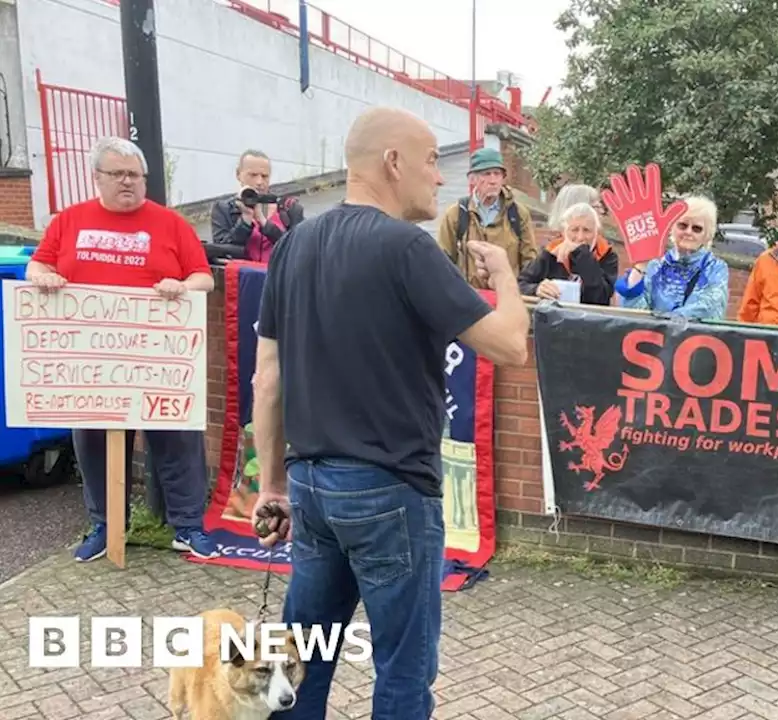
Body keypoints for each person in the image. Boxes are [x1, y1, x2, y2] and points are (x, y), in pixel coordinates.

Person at [249, 107, 529, 718]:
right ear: (392, 163)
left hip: (309, 488)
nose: (440, 178)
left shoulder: (292, 247)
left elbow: (266, 380)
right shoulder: (407, 248)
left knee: (301, 661)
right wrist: (507, 276)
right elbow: (509, 344)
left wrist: (271, 484)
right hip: (390, 493)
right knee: (403, 670)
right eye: (432, 161)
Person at [25, 136, 219, 561]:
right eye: (118, 174)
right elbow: (37, 264)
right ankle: (105, 527)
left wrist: (182, 285)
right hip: (91, 363)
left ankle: (187, 526)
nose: (128, 182)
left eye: (135, 175)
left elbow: (204, 277)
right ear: (97, 177)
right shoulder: (68, 221)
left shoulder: (171, 224)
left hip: (159, 360)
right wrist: (42, 276)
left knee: (179, 441)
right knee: (93, 444)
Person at [435, 147, 538, 288]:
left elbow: (530, 262)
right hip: (470, 300)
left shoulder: (518, 214)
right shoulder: (456, 214)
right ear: (472, 179)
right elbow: (443, 262)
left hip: (507, 297)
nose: (493, 180)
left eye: (497, 174)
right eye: (486, 174)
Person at [614, 195, 729, 319]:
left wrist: (667, 321)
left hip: (692, 337)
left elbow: (710, 309)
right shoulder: (656, 265)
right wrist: (641, 266)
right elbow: (634, 313)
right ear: (672, 227)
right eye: (683, 225)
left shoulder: (715, 268)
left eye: (697, 229)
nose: (688, 232)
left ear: (707, 235)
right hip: (653, 336)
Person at [209, 149, 305, 263]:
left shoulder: (289, 208)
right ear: (238, 174)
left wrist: (264, 223)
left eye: (264, 176)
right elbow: (221, 252)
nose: (259, 182)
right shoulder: (223, 209)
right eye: (253, 175)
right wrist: (245, 220)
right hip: (241, 277)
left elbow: (297, 248)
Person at [517, 202, 618, 305]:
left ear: (597, 233)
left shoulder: (607, 255)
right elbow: (520, 285)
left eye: (587, 230)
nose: (580, 237)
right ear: (564, 232)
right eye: (574, 230)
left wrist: (583, 255)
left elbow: (600, 297)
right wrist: (536, 289)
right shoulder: (552, 252)